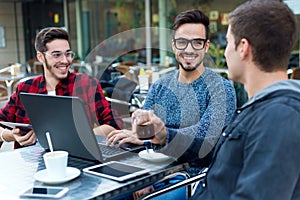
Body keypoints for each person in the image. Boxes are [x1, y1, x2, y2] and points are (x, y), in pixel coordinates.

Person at [190, 0, 300, 199]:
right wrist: (165, 136)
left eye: (227, 42)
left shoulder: (279, 116)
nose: (224, 51)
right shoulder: (262, 108)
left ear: (243, 47)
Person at [107, 9, 236, 175]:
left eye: (197, 42)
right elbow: (143, 132)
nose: (189, 50)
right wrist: (138, 135)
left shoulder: (221, 89)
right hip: (150, 171)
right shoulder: (160, 86)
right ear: (174, 45)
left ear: (206, 46)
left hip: (192, 177)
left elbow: (206, 141)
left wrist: (160, 135)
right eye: (182, 42)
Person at [0, 27, 122, 149]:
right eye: (57, 55)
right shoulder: (25, 88)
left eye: (68, 54)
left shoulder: (86, 84)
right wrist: (9, 135)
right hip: (31, 163)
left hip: (76, 160)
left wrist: (80, 138)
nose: (65, 60)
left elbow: (113, 124)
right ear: (40, 57)